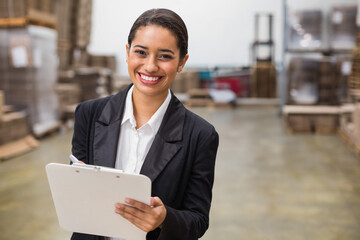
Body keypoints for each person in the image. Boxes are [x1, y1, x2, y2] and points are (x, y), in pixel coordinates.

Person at [70, 8, 219, 240]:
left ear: (182, 62)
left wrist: (164, 219)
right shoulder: (89, 114)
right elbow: (75, 201)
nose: (150, 66)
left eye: (165, 56)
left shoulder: (200, 135)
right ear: (128, 52)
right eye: (141, 52)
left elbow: (198, 221)